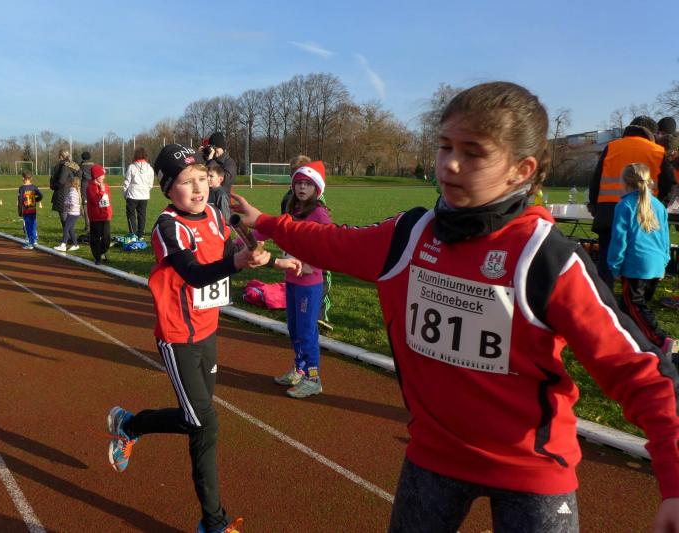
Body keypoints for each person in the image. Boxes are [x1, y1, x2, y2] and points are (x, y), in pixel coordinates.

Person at [231, 82, 679, 533]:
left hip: (532, 471)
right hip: (433, 457)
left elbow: (640, 372)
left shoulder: (546, 258)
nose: (450, 163)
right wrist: (266, 222)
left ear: (521, 170)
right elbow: (331, 242)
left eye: (474, 152)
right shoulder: (409, 236)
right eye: (445, 146)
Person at [106, 144, 271, 533]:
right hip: (177, 336)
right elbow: (195, 273)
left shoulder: (214, 213)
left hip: (208, 330)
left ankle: (130, 425)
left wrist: (267, 258)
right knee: (204, 425)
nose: (198, 188)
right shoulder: (168, 227)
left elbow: (229, 248)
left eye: (202, 178)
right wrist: (236, 262)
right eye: (186, 181)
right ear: (167, 188)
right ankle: (213, 522)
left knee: (195, 416)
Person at [588, 117, 674, 289]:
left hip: (608, 210)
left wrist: (594, 205)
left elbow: (596, 179)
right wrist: (658, 202)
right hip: (643, 211)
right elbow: (667, 182)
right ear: (651, 132)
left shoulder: (612, 146)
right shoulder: (657, 150)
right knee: (638, 255)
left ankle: (603, 298)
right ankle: (636, 295)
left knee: (607, 259)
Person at [271, 161, 332, 398]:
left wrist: (311, 266)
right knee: (294, 328)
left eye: (307, 184)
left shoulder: (319, 214)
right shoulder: (292, 209)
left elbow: (330, 245)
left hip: (309, 284)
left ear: (317, 188)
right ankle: (299, 369)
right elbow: (279, 231)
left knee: (307, 331)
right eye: (299, 183)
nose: (302, 188)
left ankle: (313, 378)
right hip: (291, 279)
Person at [607, 163, 673, 354]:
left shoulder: (625, 205)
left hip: (635, 266)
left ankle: (662, 341)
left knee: (636, 308)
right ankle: (628, 342)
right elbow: (665, 238)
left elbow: (619, 240)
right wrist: (664, 262)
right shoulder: (658, 205)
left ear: (625, 182)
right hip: (655, 264)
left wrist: (614, 266)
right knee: (631, 307)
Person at [122, 147, 154, 240]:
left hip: (132, 194)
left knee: (131, 215)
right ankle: (141, 235)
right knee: (142, 215)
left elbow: (126, 182)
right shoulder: (150, 168)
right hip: (144, 195)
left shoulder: (131, 167)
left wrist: (125, 194)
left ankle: (133, 233)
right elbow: (150, 184)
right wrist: (146, 191)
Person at [85, 164, 113, 265]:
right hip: (95, 216)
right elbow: (95, 201)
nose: (103, 177)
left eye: (104, 175)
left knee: (107, 238)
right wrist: (101, 191)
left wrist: (109, 212)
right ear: (96, 176)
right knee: (95, 238)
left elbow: (108, 200)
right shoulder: (90, 187)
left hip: (105, 216)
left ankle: (102, 251)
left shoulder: (106, 186)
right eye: (101, 175)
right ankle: (97, 257)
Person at [50, 149, 80, 234]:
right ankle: (70, 238)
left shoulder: (63, 166)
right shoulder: (74, 165)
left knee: (65, 220)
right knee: (69, 218)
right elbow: (80, 175)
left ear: (60, 156)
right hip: (72, 192)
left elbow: (61, 181)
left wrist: (53, 185)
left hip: (62, 193)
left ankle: (69, 238)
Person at [54, 175, 81, 252]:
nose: (67, 183)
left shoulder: (72, 192)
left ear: (72, 183)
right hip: (73, 213)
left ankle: (63, 245)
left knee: (66, 228)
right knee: (70, 229)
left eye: (69, 182)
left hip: (73, 213)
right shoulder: (74, 191)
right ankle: (75, 244)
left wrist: (67, 204)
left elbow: (72, 203)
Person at [17, 170, 43, 250]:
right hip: (33, 209)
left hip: (26, 210)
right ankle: (34, 240)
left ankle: (30, 243)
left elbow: (20, 200)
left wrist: (20, 211)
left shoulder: (22, 188)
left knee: (28, 226)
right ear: (31, 178)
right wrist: (36, 200)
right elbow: (41, 195)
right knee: (33, 224)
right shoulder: (34, 187)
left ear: (23, 178)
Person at [79, 151, 95, 231]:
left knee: (85, 206)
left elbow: (79, 177)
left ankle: (88, 226)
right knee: (94, 206)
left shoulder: (81, 166)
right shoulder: (94, 165)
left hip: (85, 186)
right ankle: (94, 225)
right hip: (94, 186)